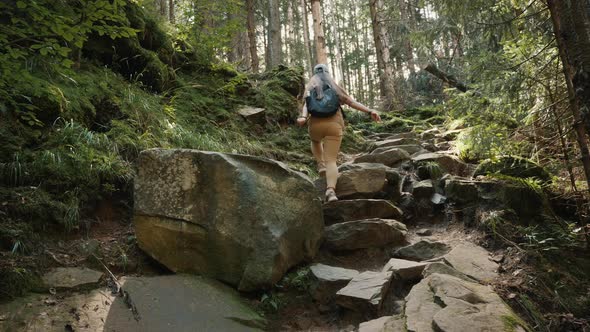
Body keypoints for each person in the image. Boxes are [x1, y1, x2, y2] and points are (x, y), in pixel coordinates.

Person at [297, 64, 381, 202]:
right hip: (334, 126)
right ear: (327, 73)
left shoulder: (310, 88)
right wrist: (370, 111)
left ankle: (320, 165)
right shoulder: (334, 87)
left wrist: (303, 117)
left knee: (315, 141)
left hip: (315, 125)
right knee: (332, 161)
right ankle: (331, 191)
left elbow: (306, 105)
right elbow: (351, 102)